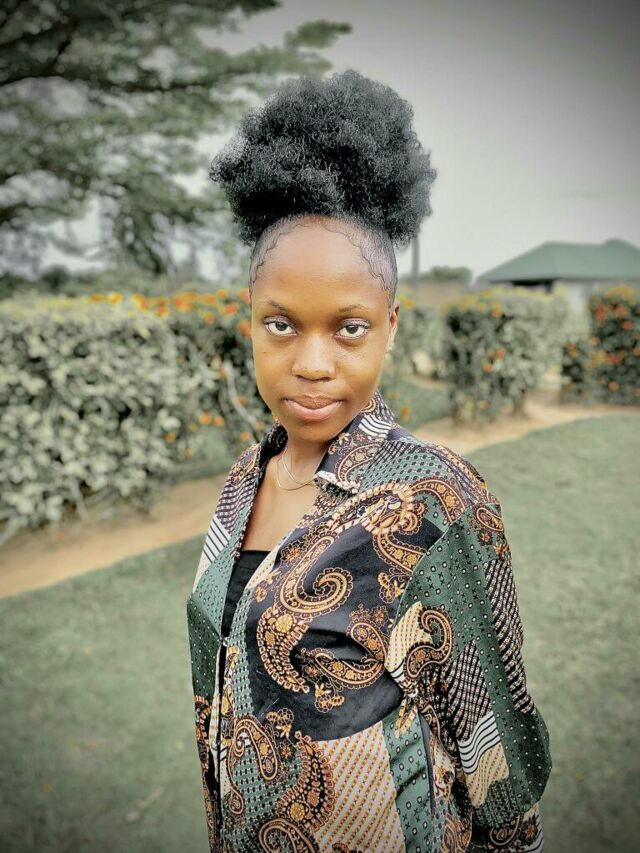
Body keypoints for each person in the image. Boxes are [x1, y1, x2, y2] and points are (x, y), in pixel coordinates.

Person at [186, 69, 552, 853]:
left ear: (390, 324)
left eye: (347, 327)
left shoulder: (434, 501)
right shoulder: (243, 481)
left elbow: (503, 766)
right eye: (281, 324)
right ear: (249, 321)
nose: (312, 363)